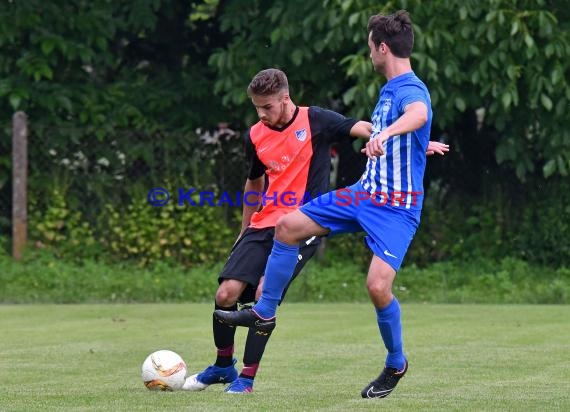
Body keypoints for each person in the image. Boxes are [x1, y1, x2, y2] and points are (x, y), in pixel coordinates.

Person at [215, 10, 433, 399]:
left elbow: (418, 113)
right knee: (288, 226)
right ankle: (264, 309)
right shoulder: (388, 90)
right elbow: (400, 128)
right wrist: (416, 143)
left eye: (370, 48)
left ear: (383, 48)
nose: (369, 55)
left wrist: (400, 133)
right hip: (364, 193)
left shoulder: (409, 88)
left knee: (377, 287)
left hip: (397, 208)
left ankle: (395, 363)